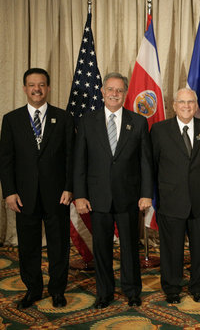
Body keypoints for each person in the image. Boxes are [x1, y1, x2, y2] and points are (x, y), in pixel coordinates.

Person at [73, 72, 153, 309]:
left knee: (130, 248)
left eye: (119, 90)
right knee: (102, 249)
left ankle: (132, 291)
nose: (114, 94)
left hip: (129, 197)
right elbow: (80, 162)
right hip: (97, 198)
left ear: (125, 93)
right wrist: (79, 194)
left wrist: (146, 193)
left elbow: (145, 162)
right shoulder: (87, 121)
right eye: (110, 89)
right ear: (103, 92)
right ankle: (104, 293)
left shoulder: (138, 122)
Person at [0, 68, 74, 309]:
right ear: (24, 88)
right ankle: (32, 289)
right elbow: (6, 159)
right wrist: (9, 191)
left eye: (41, 85)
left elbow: (70, 158)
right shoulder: (11, 120)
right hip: (24, 196)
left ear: (48, 88)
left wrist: (68, 187)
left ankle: (57, 290)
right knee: (28, 246)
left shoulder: (63, 118)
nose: (37, 89)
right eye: (32, 85)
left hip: (57, 196)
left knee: (59, 245)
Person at [151, 88, 200, 304]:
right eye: (182, 102)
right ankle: (172, 288)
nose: (186, 106)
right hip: (171, 200)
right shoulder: (159, 130)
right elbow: (152, 166)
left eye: (191, 102)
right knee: (171, 249)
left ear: (196, 106)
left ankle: (198, 287)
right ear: (174, 105)